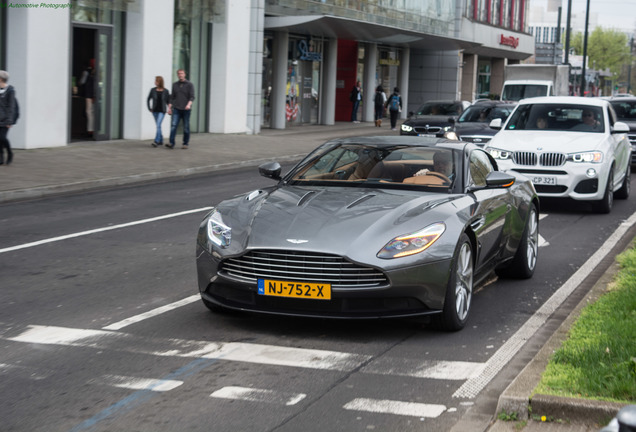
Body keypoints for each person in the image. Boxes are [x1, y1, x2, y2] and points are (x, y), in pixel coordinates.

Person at [167, 69, 195, 149]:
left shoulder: (190, 84)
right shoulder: (175, 85)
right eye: (179, 74)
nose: (180, 75)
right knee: (173, 125)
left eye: (181, 73)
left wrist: (188, 105)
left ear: (184, 74)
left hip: (186, 109)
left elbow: (192, 96)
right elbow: (172, 97)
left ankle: (185, 143)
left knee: (186, 127)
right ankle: (171, 143)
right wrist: (169, 108)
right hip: (176, 109)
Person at [147, 76, 170, 147]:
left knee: (158, 125)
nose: (155, 82)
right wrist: (149, 108)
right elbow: (148, 99)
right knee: (158, 125)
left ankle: (156, 141)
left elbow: (168, 101)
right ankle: (161, 139)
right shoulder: (152, 90)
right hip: (154, 111)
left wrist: (170, 109)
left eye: (156, 81)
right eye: (155, 81)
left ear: (160, 82)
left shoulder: (166, 91)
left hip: (162, 111)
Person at [0, 70, 16, 165]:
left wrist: (9, 121)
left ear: (1, 79)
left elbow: (11, 106)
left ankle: (10, 153)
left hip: (5, 119)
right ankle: (1, 158)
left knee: (2, 138)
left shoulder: (10, 91)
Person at [78, 59, 95, 139]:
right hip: (92, 95)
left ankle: (90, 130)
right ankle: (91, 130)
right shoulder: (96, 72)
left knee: (89, 112)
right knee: (91, 112)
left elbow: (81, 82)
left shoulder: (86, 72)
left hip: (89, 95)